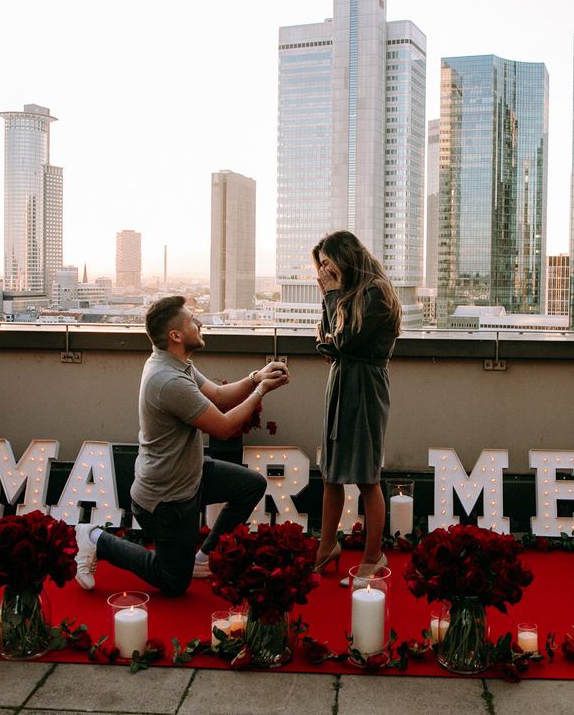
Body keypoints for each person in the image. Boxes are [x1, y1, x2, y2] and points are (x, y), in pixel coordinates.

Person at [74, 295, 289, 596]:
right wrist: (262, 391)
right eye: (191, 320)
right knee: (174, 582)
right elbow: (224, 428)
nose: (200, 323)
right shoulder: (168, 380)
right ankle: (95, 538)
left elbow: (219, 395)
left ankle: (204, 557)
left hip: (191, 476)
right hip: (166, 500)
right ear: (175, 335)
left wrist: (255, 378)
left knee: (250, 486)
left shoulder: (176, 363)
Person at [311, 231, 401, 583]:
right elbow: (330, 342)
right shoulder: (345, 293)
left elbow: (344, 341)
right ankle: (325, 548)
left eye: (328, 263)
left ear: (345, 256)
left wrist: (332, 296)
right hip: (341, 381)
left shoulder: (376, 292)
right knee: (330, 473)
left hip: (365, 386)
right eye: (321, 266)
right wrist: (330, 299)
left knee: (366, 476)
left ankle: (373, 557)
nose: (325, 271)